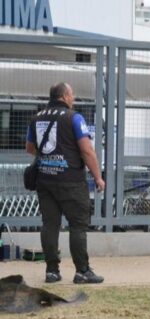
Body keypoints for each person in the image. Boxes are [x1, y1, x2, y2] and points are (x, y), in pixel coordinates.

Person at [25, 83, 105, 284]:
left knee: (50, 225)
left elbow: (29, 148)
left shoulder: (37, 118)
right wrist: (98, 177)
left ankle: (51, 271)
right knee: (78, 225)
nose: (74, 98)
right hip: (71, 182)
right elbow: (87, 151)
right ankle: (82, 271)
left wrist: (51, 158)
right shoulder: (74, 118)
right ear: (65, 96)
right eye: (72, 95)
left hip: (45, 180)